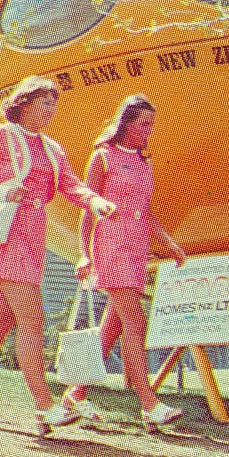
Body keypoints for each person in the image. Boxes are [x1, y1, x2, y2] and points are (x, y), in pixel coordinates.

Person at [0, 76, 116, 436]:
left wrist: (95, 200)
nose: (51, 111)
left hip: (33, 234)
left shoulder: (53, 148)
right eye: (45, 103)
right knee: (33, 317)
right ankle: (44, 406)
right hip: (6, 232)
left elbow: (70, 183)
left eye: (54, 104)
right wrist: (3, 190)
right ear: (23, 103)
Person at [59, 94, 188, 430]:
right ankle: (148, 403)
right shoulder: (102, 157)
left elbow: (146, 213)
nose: (149, 131)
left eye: (152, 125)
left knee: (113, 326)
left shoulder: (145, 163)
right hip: (111, 245)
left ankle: (75, 393)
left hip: (137, 248)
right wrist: (85, 253)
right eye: (144, 124)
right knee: (136, 320)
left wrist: (170, 243)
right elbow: (88, 207)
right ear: (126, 123)